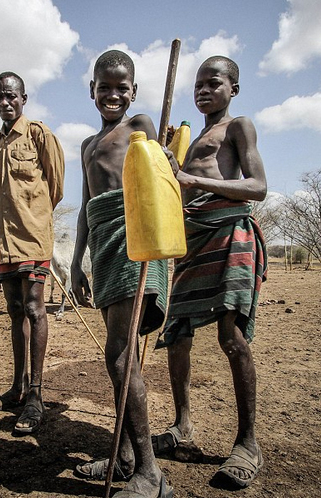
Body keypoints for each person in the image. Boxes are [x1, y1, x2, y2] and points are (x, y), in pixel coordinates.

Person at [152, 56, 268, 490]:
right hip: (191, 242)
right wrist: (168, 164)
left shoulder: (239, 127)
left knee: (231, 339)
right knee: (177, 335)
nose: (202, 90)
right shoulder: (190, 136)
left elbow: (258, 186)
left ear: (233, 88)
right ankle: (182, 425)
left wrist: (194, 182)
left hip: (229, 234)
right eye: (197, 84)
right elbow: (174, 183)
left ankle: (248, 442)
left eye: (213, 83)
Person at [71, 50, 173, 498]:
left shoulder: (141, 125)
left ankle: (149, 474)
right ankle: (126, 456)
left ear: (134, 91)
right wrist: (77, 261)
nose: (113, 94)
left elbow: (160, 173)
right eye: (104, 86)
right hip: (104, 248)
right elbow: (85, 206)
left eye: (121, 87)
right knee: (120, 355)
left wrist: (164, 156)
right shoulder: (86, 146)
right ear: (91, 90)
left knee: (119, 356)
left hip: (136, 241)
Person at [0, 71, 65, 437]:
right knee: (14, 312)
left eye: (11, 96)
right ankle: (16, 387)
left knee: (34, 308)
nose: (5, 102)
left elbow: (56, 186)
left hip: (32, 238)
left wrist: (34, 219)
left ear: (24, 98)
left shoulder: (39, 135)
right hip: (3, 244)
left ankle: (36, 396)